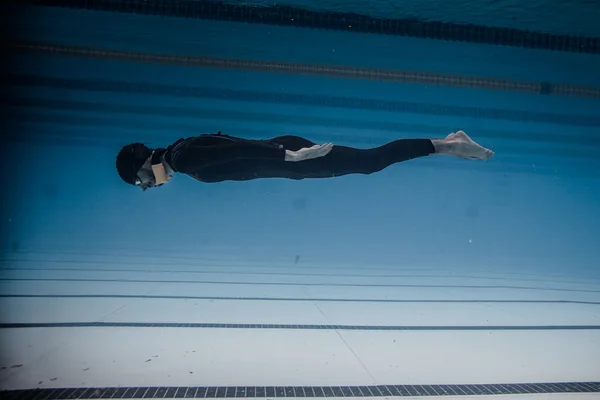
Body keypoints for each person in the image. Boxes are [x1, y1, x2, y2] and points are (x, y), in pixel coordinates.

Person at [115, 130, 494, 191]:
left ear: (144, 166)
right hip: (289, 161)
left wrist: (287, 156)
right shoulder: (181, 156)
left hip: (292, 157)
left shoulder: (181, 157)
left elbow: (236, 150)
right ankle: (445, 145)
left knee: (370, 162)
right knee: (367, 163)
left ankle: (448, 144)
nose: (150, 186)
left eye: (142, 182)